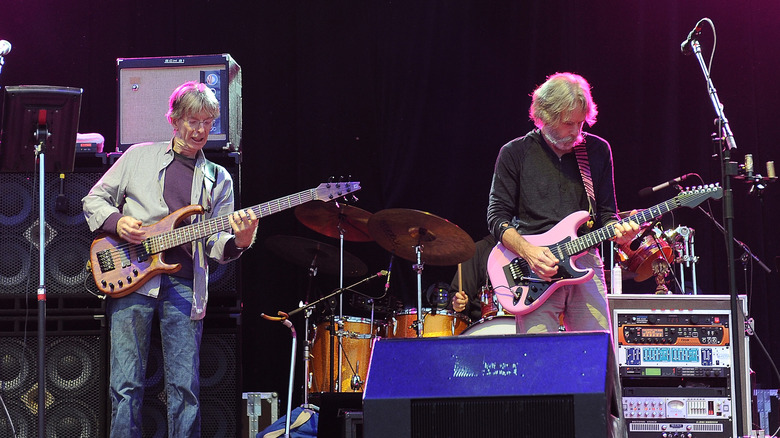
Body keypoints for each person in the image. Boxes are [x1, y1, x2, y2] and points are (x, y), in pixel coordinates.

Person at [82, 81, 258, 437]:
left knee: (184, 388)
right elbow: (93, 201)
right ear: (175, 120)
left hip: (183, 284)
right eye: (193, 121)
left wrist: (240, 241)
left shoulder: (218, 178)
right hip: (131, 277)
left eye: (208, 122)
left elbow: (214, 245)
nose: (200, 130)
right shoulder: (138, 157)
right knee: (126, 384)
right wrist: (120, 222)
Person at [486, 72, 639, 334]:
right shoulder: (515, 153)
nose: (577, 132)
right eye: (569, 124)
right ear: (544, 116)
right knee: (537, 358)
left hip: (585, 260)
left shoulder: (597, 150)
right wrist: (529, 253)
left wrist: (622, 234)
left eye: (581, 123)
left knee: (597, 353)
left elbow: (606, 213)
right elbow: (496, 216)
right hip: (534, 267)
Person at [450, 234, 496, 323]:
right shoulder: (479, 250)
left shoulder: (528, 250)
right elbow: (457, 294)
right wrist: (458, 303)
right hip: (484, 327)